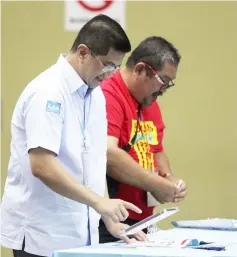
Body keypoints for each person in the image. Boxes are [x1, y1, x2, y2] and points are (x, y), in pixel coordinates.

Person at [0, 14, 146, 257]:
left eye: (116, 67)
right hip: (42, 234)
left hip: (81, 234)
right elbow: (42, 166)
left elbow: (96, 162)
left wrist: (108, 217)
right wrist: (99, 203)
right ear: (83, 52)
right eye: (107, 65)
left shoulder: (95, 95)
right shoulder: (48, 91)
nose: (110, 74)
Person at [99, 36, 188, 243]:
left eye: (169, 83)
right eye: (163, 81)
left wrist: (168, 178)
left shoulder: (149, 101)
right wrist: (157, 184)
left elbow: (156, 149)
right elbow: (108, 155)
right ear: (140, 69)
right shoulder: (109, 94)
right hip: (112, 218)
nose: (164, 89)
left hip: (142, 219)